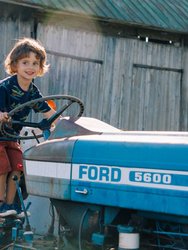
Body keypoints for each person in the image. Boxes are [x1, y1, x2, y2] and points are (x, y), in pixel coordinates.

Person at [0, 37, 57, 218]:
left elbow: (48, 112)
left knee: (17, 167)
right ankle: (0, 204)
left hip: (12, 137)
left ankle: (11, 206)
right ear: (15, 65)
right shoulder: (5, 87)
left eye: (35, 63)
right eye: (25, 62)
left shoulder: (32, 91)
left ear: (40, 67)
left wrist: (63, 124)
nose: (30, 67)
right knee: (2, 167)